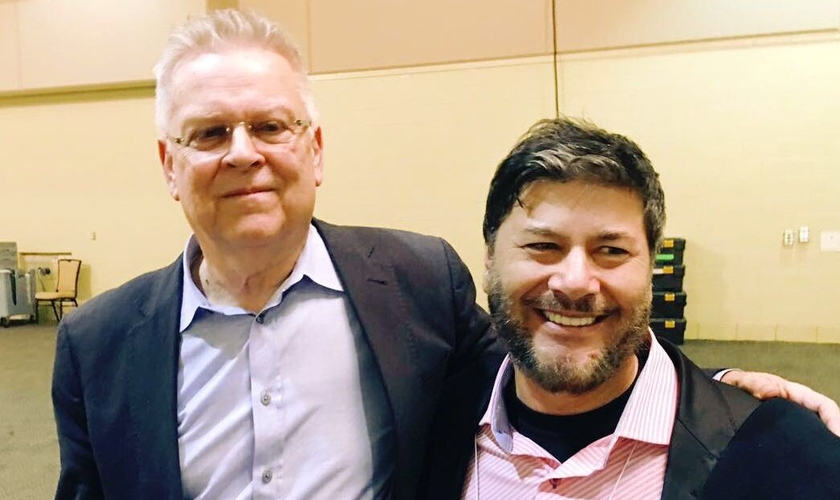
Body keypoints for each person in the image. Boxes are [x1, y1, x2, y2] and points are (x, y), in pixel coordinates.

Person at [50, 9, 838, 500]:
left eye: (271, 126)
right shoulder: (98, 345)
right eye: (210, 133)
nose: (244, 153)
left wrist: (716, 397)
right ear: (168, 163)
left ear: (315, 149)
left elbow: (556, 343)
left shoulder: (416, 282)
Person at [421, 117, 840, 499]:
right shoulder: (427, 427)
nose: (575, 282)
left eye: (611, 250)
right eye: (543, 246)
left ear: (650, 268)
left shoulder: (784, 457)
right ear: (490, 257)